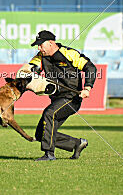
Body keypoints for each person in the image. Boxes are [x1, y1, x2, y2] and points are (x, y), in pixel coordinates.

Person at [28, 30, 97, 161]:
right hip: (56, 99)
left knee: (49, 113)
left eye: (40, 45)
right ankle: (77, 144)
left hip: (72, 98)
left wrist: (87, 88)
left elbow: (90, 68)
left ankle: (49, 154)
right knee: (40, 133)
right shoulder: (41, 56)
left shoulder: (69, 53)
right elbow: (31, 68)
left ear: (50, 43)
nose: (39, 48)